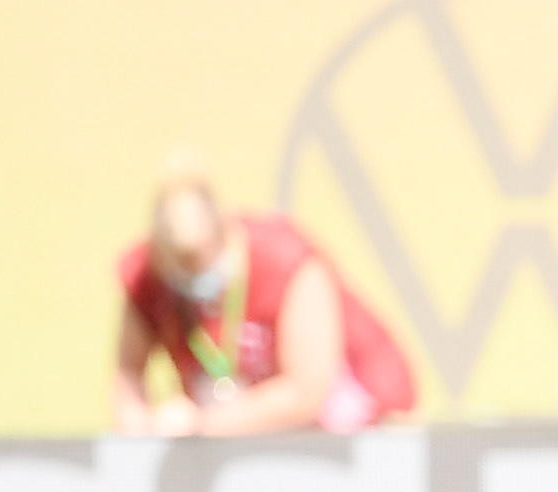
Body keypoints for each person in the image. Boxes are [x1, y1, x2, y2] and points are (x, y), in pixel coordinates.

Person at [112, 165, 420, 440]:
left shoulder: (286, 259)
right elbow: (127, 374)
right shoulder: (146, 274)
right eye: (181, 264)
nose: (193, 275)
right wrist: (143, 429)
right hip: (237, 432)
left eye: (200, 260)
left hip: (348, 423)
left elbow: (307, 393)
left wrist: (202, 424)